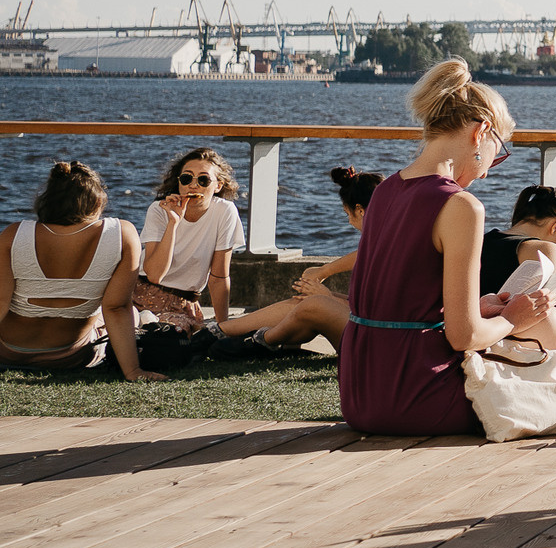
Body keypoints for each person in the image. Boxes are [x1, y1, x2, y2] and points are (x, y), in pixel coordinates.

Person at [340, 60, 556, 435]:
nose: (487, 171)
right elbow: (463, 337)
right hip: (415, 396)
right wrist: (512, 318)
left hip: (359, 392)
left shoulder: (385, 191)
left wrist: (481, 309)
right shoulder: (461, 205)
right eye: (495, 152)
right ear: (481, 131)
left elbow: (401, 302)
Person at [1, 161, 160, 381]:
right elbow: (116, 308)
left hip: (8, 352)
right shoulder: (122, 234)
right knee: (129, 312)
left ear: (48, 200)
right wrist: (133, 371)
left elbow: (1, 302)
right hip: (68, 356)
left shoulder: (14, 234)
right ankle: (147, 320)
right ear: (96, 201)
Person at [213, 167, 377, 357]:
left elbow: (380, 312)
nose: (349, 221)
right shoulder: (389, 243)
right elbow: (365, 257)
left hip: (377, 343)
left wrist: (327, 297)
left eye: (347, 213)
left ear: (360, 210)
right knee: (310, 300)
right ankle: (219, 332)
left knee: (315, 304)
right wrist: (325, 274)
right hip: (374, 331)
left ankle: (260, 340)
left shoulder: (390, 249)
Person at [139, 147, 246, 327]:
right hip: (141, 292)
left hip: (184, 302)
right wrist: (174, 222)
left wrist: (224, 326)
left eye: (203, 180)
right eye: (187, 178)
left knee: (179, 332)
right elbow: (155, 275)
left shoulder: (224, 211)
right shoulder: (159, 210)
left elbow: (219, 277)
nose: (193, 185)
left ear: (218, 185)